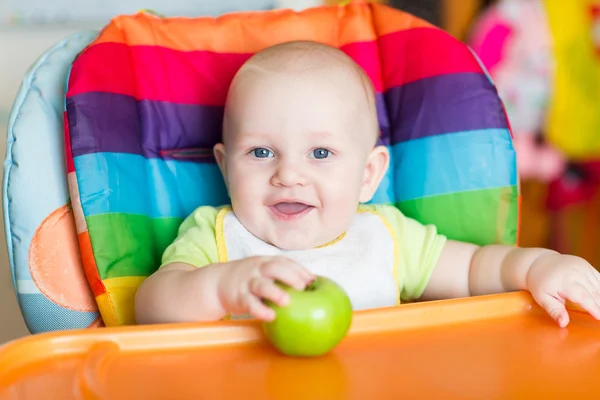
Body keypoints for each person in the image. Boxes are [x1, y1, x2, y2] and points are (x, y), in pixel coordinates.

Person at [135, 41, 600, 328]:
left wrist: (539, 266)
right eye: (260, 152)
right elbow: (151, 305)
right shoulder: (216, 237)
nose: (288, 174)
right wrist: (222, 288)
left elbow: (478, 266)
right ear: (223, 165)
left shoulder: (388, 238)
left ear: (368, 175)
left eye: (320, 153)